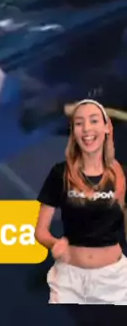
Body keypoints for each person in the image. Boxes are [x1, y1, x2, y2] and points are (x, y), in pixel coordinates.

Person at [35, 99, 127, 305]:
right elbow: (41, 231)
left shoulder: (121, 174)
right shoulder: (61, 173)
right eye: (80, 124)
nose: (86, 129)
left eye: (93, 122)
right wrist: (54, 244)